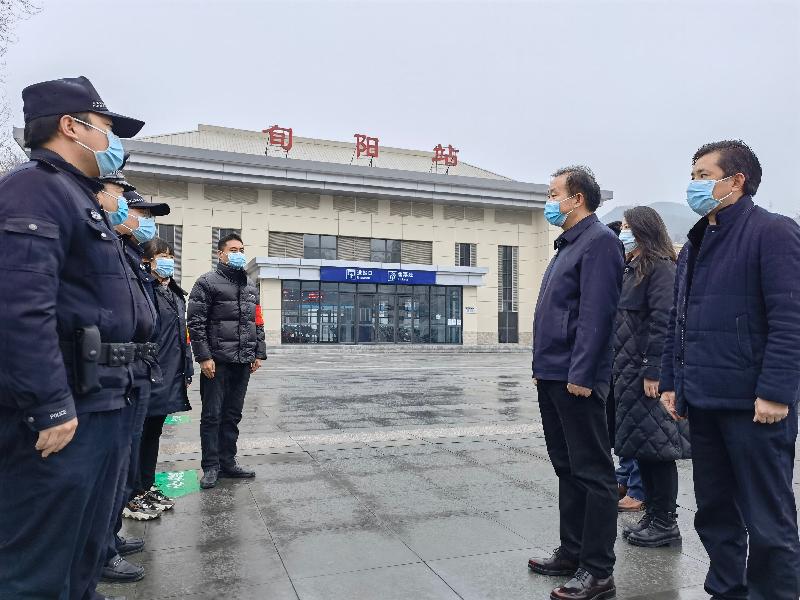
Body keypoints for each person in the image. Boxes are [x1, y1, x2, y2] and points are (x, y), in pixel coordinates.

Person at [0, 76, 145, 600]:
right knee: (38, 566)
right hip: (67, 411)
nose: (114, 141)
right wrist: (50, 404)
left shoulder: (76, 196)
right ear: (71, 126)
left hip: (101, 398)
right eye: (107, 127)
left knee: (82, 551)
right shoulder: (33, 190)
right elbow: (19, 309)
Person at [660, 140, 800, 599]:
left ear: (736, 180)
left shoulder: (773, 232)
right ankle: (726, 590)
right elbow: (678, 321)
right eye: (693, 175)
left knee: (767, 517)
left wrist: (776, 391)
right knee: (715, 511)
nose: (694, 184)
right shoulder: (697, 241)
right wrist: (672, 382)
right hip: (704, 400)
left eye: (703, 175)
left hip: (754, 405)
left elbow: (790, 318)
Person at [528, 166, 623, 600]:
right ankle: (572, 551)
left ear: (577, 198)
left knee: (593, 472)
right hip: (553, 373)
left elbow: (596, 314)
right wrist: (541, 366)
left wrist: (583, 373)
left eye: (554, 194)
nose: (550, 201)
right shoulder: (567, 244)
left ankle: (598, 571)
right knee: (566, 467)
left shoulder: (599, 242)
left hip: (576, 377)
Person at [100, 188, 168, 585]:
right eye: (140, 212)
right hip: (112, 368)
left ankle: (109, 538)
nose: (145, 221)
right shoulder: (108, 248)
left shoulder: (128, 254)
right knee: (108, 468)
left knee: (123, 464)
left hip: (135, 369)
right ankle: (99, 550)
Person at [613, 206, 689, 547]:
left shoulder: (661, 268)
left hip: (646, 376)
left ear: (644, 230)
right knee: (642, 447)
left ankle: (665, 521)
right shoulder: (633, 268)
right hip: (628, 374)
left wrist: (653, 370)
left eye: (627, 226)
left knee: (658, 449)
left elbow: (664, 323)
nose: (623, 232)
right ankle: (653, 514)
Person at [188, 233, 267, 489]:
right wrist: (204, 356)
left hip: (242, 361)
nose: (238, 253)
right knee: (212, 415)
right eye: (233, 249)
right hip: (217, 362)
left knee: (232, 415)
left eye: (241, 249)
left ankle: (228, 462)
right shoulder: (206, 282)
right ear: (220, 254)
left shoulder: (250, 285)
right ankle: (211, 466)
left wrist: (258, 353)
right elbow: (195, 323)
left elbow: (257, 322)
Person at [137, 237, 193, 510]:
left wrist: (187, 367)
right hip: (150, 374)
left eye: (170, 256)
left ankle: (146, 485)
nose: (168, 261)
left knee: (153, 433)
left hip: (171, 373)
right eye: (161, 256)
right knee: (139, 434)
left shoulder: (174, 292)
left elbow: (183, 336)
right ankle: (133, 491)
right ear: (146, 261)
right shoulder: (143, 290)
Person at [605, 221, 645, 513]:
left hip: (638, 363)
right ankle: (625, 477)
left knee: (640, 429)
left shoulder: (652, 270)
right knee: (624, 426)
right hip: (620, 361)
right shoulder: (626, 269)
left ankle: (639, 488)